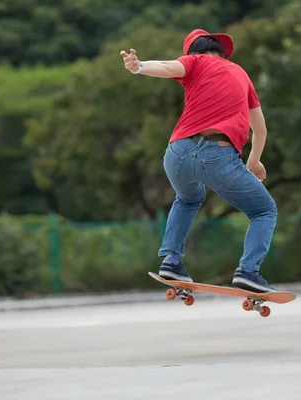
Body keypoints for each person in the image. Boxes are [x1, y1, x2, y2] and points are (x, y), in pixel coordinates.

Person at [120, 29, 277, 293]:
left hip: (176, 153)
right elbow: (260, 129)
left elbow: (168, 67)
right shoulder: (240, 73)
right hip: (218, 154)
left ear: (193, 52)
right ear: (220, 52)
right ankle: (249, 270)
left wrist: (139, 67)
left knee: (187, 199)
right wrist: (255, 161)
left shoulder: (194, 62)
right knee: (264, 210)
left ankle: (171, 260)